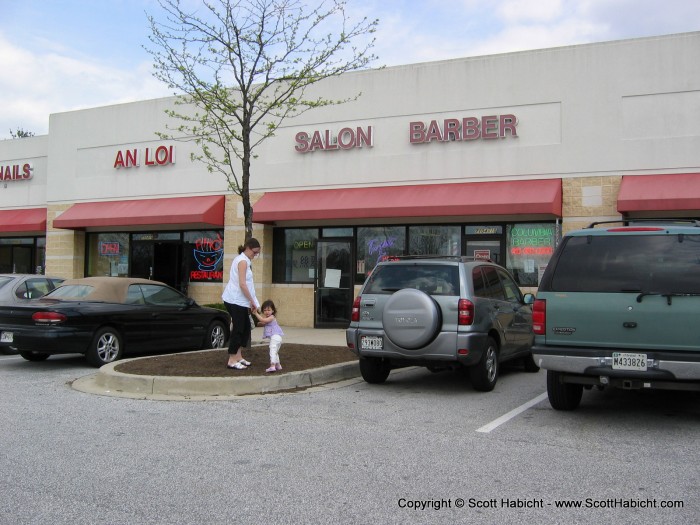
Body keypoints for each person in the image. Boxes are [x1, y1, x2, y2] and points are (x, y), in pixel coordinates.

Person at [222, 238, 261, 370]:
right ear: (248, 248)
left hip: (240, 301)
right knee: (238, 329)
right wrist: (252, 301)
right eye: (255, 252)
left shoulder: (244, 260)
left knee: (244, 329)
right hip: (235, 300)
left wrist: (251, 300)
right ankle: (232, 360)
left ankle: (238, 356)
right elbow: (243, 284)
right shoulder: (243, 261)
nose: (255, 255)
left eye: (257, 253)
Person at [253, 300, 285, 373]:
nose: (267, 312)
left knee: (272, 350)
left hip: (275, 337)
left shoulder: (272, 317)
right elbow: (262, 322)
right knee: (275, 351)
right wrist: (258, 323)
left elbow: (263, 320)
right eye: (265, 310)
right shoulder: (268, 319)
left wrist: (256, 313)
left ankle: (272, 365)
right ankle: (278, 365)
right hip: (277, 338)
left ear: (273, 310)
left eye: (269, 310)